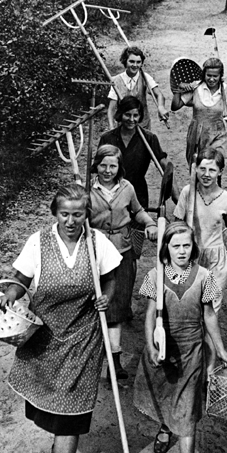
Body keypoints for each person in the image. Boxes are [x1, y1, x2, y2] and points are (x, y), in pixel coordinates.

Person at [0, 184, 122, 453]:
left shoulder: (97, 243)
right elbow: (21, 280)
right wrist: (10, 295)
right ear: (55, 213)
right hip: (46, 338)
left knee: (72, 417)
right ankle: (58, 442)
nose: (71, 221)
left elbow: (110, 278)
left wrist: (105, 297)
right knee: (50, 409)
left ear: (85, 215)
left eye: (78, 214)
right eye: (64, 214)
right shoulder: (38, 242)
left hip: (83, 337)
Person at [134, 221, 227, 453]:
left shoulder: (204, 277)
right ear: (166, 249)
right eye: (175, 246)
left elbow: (210, 316)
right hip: (163, 350)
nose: (181, 251)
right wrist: (151, 344)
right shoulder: (156, 275)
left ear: (193, 247)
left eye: (186, 245)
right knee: (166, 396)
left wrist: (220, 348)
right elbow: (150, 315)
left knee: (187, 411)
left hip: (191, 352)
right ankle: (165, 426)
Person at [90, 144, 158, 379]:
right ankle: (91, 358)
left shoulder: (127, 188)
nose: (107, 170)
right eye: (103, 165)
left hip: (122, 251)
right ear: (96, 165)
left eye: (112, 166)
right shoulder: (87, 190)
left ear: (119, 167)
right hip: (96, 253)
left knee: (117, 305)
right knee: (96, 305)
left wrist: (149, 223)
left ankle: (114, 363)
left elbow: (137, 211)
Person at [173, 148, 227, 374]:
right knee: (190, 311)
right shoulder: (187, 193)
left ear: (220, 171)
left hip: (215, 260)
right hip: (192, 257)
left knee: (210, 311)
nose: (206, 174)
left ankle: (209, 370)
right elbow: (176, 223)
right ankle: (188, 362)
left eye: (211, 170)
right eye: (201, 169)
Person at [98, 96, 178, 258]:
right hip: (111, 196)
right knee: (110, 248)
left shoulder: (149, 138)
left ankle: (129, 275)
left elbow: (165, 165)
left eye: (136, 115)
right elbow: (98, 168)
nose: (132, 119)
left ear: (141, 116)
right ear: (120, 114)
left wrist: (176, 193)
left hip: (137, 195)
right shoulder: (108, 138)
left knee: (134, 250)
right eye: (127, 115)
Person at [171, 57, 227, 168]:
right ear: (203, 74)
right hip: (197, 134)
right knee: (197, 168)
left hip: (218, 135)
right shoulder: (196, 87)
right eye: (208, 75)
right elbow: (175, 106)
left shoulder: (226, 90)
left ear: (220, 76)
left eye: (215, 76)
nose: (211, 79)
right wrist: (178, 90)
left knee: (215, 166)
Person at [107, 45, 168, 130]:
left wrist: (161, 107)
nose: (135, 65)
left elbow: (159, 95)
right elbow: (111, 109)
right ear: (125, 61)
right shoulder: (117, 81)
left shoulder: (145, 78)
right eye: (131, 61)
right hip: (123, 127)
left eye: (138, 62)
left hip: (143, 125)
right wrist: (111, 127)